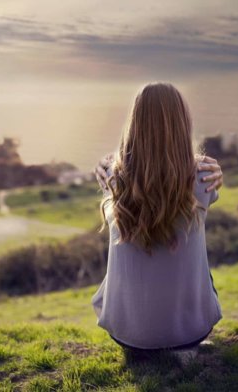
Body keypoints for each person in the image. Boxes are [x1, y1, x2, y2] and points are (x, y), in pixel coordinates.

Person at [91, 82, 224, 363]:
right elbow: (209, 192)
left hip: (126, 334)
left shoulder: (113, 178)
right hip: (189, 334)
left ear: (134, 123)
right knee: (204, 270)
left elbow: (117, 167)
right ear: (182, 123)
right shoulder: (203, 177)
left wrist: (106, 164)